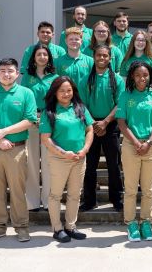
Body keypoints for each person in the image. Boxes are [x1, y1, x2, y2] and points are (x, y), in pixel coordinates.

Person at [0, 58, 37, 242]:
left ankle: (21, 227)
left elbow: (30, 120)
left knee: (18, 190)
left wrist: (4, 132)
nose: (6, 74)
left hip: (17, 149)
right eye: (2, 70)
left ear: (17, 73)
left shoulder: (26, 93)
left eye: (10, 70)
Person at [40, 76, 94, 243]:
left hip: (79, 158)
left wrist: (85, 150)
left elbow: (90, 130)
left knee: (75, 194)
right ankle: (57, 229)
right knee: (56, 195)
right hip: (59, 159)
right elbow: (46, 138)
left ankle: (70, 226)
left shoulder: (80, 108)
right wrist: (64, 153)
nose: (66, 93)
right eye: (62, 90)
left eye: (69, 90)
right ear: (55, 92)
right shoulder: (49, 111)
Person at [115, 61, 152, 242]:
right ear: (132, 77)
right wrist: (136, 142)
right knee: (130, 188)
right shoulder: (125, 95)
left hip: (150, 146)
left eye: (145, 75)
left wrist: (149, 142)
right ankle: (131, 223)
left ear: (150, 76)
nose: (142, 78)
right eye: (137, 75)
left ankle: (145, 222)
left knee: (148, 189)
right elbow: (121, 122)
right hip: (131, 145)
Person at [79, 45, 125, 212]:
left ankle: (116, 198)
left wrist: (105, 122)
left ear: (110, 58)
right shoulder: (85, 79)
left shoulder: (117, 80)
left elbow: (120, 103)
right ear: (94, 56)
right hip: (90, 125)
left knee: (114, 164)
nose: (102, 58)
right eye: (99, 55)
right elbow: (81, 104)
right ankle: (90, 200)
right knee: (90, 165)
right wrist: (94, 124)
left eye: (105, 56)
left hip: (110, 125)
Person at [21, 44, 59, 212]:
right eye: (39, 54)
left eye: (45, 54)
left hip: (49, 121)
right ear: (34, 58)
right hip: (30, 121)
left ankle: (48, 200)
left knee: (49, 162)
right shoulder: (27, 77)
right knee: (31, 162)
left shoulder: (54, 77)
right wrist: (30, 116)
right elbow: (22, 99)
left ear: (49, 58)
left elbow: (59, 99)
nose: (42, 57)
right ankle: (32, 201)